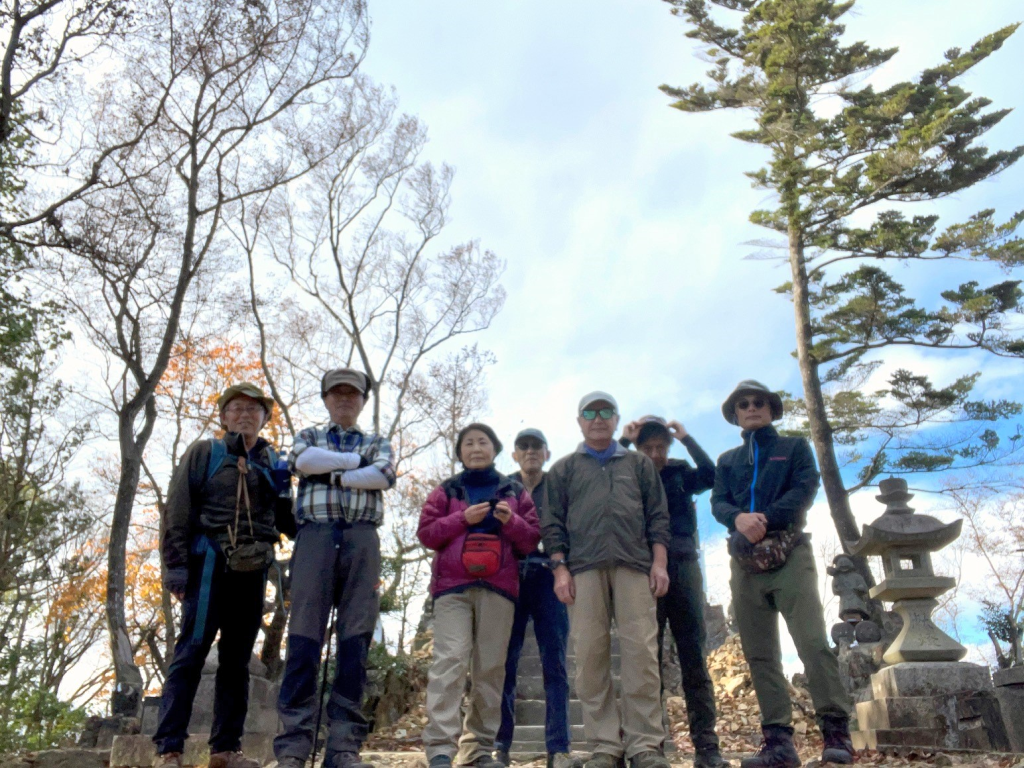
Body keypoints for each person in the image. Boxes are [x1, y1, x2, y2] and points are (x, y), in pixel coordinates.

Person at [712, 380, 854, 768]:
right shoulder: (727, 461)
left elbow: (806, 488)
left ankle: (836, 732)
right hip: (744, 559)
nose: (752, 407)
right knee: (759, 653)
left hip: (789, 548)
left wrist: (763, 519)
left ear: (772, 409)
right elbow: (718, 502)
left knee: (811, 641)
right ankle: (778, 743)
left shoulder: (793, 448)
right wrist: (738, 519)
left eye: (759, 402)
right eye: (743, 404)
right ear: (736, 414)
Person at [155, 383, 294, 768]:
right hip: (208, 566)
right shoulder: (205, 453)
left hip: (252, 571)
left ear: (265, 418)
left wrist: (295, 495)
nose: (245, 414)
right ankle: (169, 749)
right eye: (236, 408)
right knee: (191, 653)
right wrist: (176, 569)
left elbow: (287, 521)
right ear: (223, 416)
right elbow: (177, 511)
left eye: (254, 409)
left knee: (236, 661)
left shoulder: (273, 462)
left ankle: (225, 749)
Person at [274, 369, 397, 768]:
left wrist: (333, 475)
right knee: (304, 637)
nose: (345, 400)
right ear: (326, 399)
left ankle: (344, 746)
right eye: (337, 394)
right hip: (314, 537)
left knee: (355, 640)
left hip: (363, 538)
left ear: (363, 400)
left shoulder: (378, 441)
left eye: (353, 394)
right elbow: (301, 460)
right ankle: (293, 746)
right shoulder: (310, 435)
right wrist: (353, 466)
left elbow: (383, 475)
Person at [543, 392, 672, 768]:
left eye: (605, 412)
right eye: (589, 412)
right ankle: (604, 746)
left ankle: (645, 745)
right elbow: (551, 524)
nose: (597, 419)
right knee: (589, 657)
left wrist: (659, 562)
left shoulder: (637, 464)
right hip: (583, 569)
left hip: (635, 566)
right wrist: (560, 568)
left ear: (617, 421)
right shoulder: (564, 470)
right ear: (579, 421)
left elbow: (657, 516)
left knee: (641, 655)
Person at [418, 423, 542, 768]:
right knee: (449, 662)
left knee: (490, 668)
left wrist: (511, 521)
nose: (475, 447)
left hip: (499, 589)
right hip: (452, 589)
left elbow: (531, 539)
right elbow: (426, 533)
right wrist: (461, 518)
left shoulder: (514, 490)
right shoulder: (446, 491)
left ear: (495, 448)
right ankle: (441, 749)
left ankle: (478, 749)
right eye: (468, 443)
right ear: (459, 452)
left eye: (482, 442)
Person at [619, 416, 726, 768]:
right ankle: (648, 745)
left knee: (693, 655)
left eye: (660, 448)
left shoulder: (679, 471)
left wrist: (686, 438)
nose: (655, 454)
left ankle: (707, 746)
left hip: (682, 565)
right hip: (640, 569)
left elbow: (712, 475)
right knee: (645, 659)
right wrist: (623, 440)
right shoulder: (629, 472)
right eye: (647, 448)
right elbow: (602, 477)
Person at [494, 429, 578, 768]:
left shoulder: (558, 486)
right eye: (523, 447)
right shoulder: (503, 487)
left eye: (536, 447)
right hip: (511, 574)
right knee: (505, 662)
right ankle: (501, 746)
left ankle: (558, 748)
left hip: (549, 573)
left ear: (547, 452)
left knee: (555, 663)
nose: (530, 452)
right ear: (514, 454)